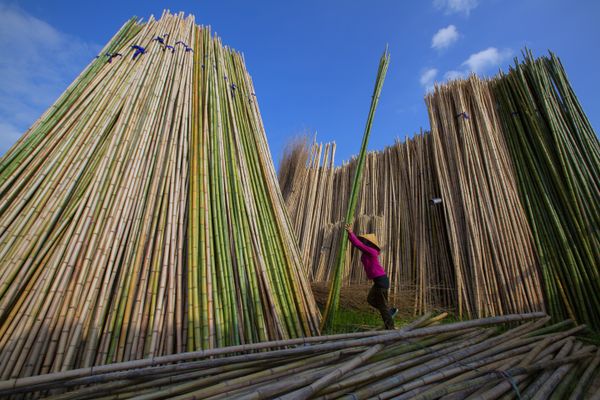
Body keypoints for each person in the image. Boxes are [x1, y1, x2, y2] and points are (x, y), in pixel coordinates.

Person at [345, 223, 397, 330]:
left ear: (369, 243)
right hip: (378, 282)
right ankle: (389, 311)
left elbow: (358, 244)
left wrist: (350, 232)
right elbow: (358, 245)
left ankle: (390, 328)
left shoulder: (372, 251)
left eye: (365, 241)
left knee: (382, 306)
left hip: (381, 281)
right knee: (370, 300)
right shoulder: (367, 253)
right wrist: (349, 237)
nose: (363, 242)